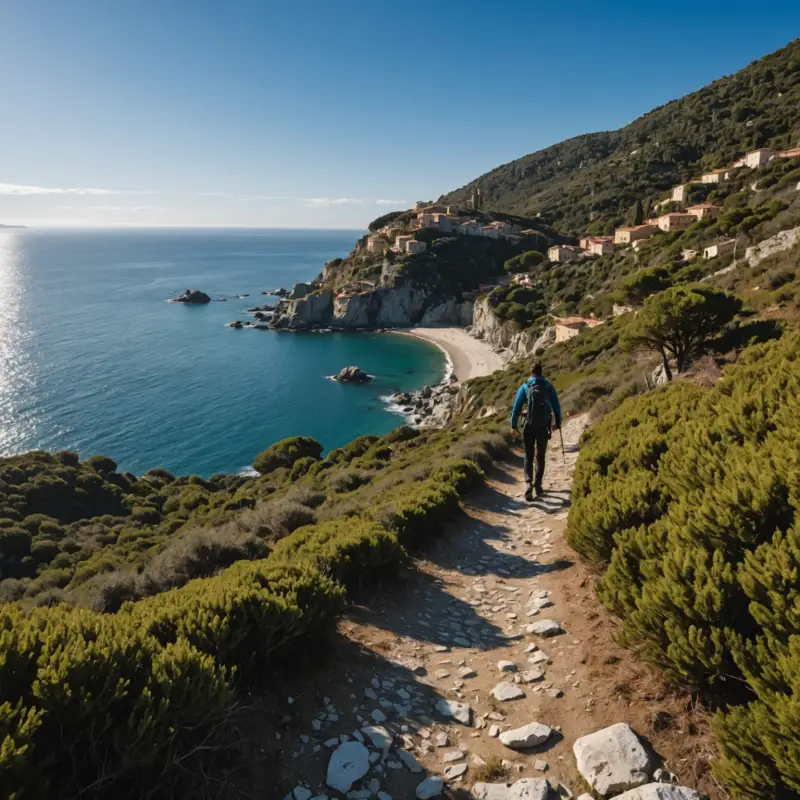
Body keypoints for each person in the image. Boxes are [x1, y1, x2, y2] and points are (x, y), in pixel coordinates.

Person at [510, 362, 562, 501]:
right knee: (540, 455)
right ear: (541, 372)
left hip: (529, 425)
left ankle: (528, 484)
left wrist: (513, 425)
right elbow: (556, 405)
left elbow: (516, 408)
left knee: (528, 454)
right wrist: (558, 422)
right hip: (544, 426)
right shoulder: (548, 386)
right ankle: (538, 486)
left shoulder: (525, 386)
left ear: (531, 372)